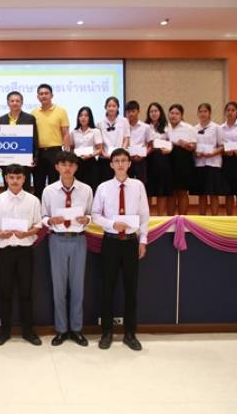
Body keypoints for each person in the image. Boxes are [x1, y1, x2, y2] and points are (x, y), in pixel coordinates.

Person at [91, 148, 149, 351]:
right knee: (107, 288)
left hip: (131, 242)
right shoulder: (103, 187)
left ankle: (130, 333)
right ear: (111, 164)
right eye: (116, 160)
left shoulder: (138, 186)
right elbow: (95, 215)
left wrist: (143, 240)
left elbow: (144, 215)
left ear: (129, 163)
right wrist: (112, 224)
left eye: (124, 160)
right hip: (111, 242)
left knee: (131, 289)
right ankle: (106, 332)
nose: (121, 164)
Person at [0, 164, 43, 347]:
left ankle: (28, 332)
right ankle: (4, 332)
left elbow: (38, 225)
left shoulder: (33, 200)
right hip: (5, 251)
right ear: (6, 178)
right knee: (5, 293)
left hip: (25, 251)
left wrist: (27, 233)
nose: (15, 181)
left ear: (24, 179)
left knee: (26, 293)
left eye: (18, 177)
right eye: (11, 177)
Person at [41, 152, 93, 347]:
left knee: (78, 287)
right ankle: (62, 330)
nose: (67, 168)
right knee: (59, 288)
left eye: (71, 164)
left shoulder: (86, 190)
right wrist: (50, 221)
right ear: (57, 167)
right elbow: (43, 216)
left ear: (76, 167)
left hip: (79, 239)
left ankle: (77, 329)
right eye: (63, 164)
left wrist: (87, 219)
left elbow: (92, 214)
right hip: (57, 240)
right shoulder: (49, 191)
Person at [31, 84, 71, 198]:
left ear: (52, 95)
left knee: (54, 184)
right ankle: (39, 208)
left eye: (46, 93)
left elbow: (66, 133)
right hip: (38, 153)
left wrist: (66, 154)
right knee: (38, 184)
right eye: (41, 94)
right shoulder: (33, 113)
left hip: (55, 152)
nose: (44, 96)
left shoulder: (61, 111)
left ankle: (54, 207)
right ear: (38, 97)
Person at [0, 91, 38, 191]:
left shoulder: (29, 118)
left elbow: (35, 139)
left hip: (24, 161)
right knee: (8, 190)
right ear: (8, 103)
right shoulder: (2, 119)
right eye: (12, 101)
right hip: (6, 162)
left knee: (25, 189)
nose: (15, 103)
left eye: (17, 101)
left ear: (21, 103)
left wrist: (35, 157)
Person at [191, 103, 224, 215]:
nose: (203, 114)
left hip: (213, 163)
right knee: (202, 194)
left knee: (214, 193)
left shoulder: (217, 128)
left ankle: (214, 218)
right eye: (200, 111)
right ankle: (202, 218)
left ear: (209, 113)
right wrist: (195, 152)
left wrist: (213, 152)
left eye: (205, 111)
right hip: (199, 164)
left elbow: (222, 146)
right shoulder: (194, 129)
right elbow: (192, 146)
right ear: (197, 113)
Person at [144, 102, 174, 216]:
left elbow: (171, 142)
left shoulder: (167, 126)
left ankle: (160, 216)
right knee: (149, 190)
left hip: (162, 159)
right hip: (149, 159)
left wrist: (169, 149)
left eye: (156, 111)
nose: (153, 113)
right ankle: (148, 216)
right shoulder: (145, 126)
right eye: (151, 111)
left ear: (160, 112)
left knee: (161, 189)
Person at [167, 104, 196, 215]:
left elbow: (193, 147)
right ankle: (170, 220)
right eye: (172, 113)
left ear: (181, 115)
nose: (174, 116)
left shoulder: (188, 128)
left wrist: (186, 145)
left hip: (184, 162)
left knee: (182, 192)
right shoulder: (165, 128)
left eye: (177, 113)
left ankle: (182, 219)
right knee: (171, 193)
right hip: (169, 161)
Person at [97, 96, 130, 182]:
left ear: (118, 107)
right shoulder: (100, 123)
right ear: (105, 107)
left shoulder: (124, 121)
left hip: (120, 158)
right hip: (105, 158)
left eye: (114, 106)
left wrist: (122, 152)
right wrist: (104, 154)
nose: (111, 108)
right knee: (105, 182)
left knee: (120, 180)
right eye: (109, 106)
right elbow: (99, 142)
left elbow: (126, 138)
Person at [70, 106, 102, 193]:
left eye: (86, 115)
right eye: (81, 115)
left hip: (91, 162)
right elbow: (71, 148)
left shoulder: (95, 131)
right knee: (78, 188)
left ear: (90, 118)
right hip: (78, 162)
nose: (83, 118)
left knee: (92, 187)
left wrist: (90, 155)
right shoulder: (74, 132)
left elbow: (100, 149)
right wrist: (74, 154)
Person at [125, 100, 152, 184]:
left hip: (141, 160)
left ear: (138, 111)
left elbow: (150, 145)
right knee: (127, 184)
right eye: (128, 112)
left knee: (142, 184)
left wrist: (143, 155)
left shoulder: (146, 127)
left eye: (133, 111)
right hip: (127, 160)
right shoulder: (123, 127)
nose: (131, 114)